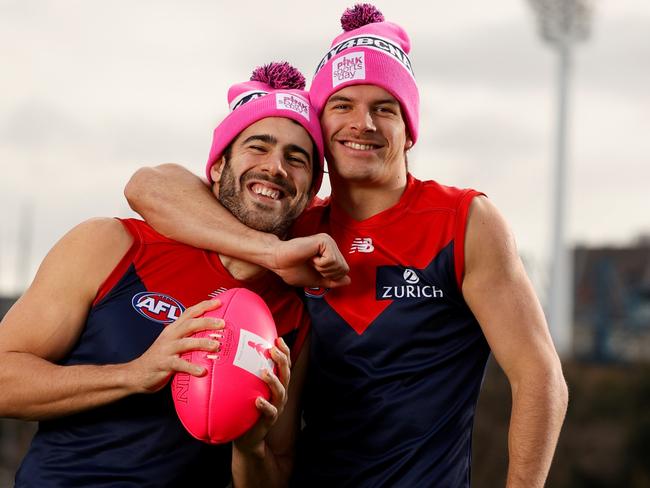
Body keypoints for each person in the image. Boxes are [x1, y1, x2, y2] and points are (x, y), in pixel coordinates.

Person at [125, 5, 569, 488]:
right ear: (321, 124)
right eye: (343, 105)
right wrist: (268, 250)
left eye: (385, 108)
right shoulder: (292, 226)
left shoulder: (464, 221)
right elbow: (149, 185)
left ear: (409, 129)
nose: (364, 124)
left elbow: (540, 377)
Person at [0, 62, 344, 487]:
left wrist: (249, 447)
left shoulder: (291, 316)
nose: (276, 167)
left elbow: (275, 472)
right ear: (217, 168)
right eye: (259, 146)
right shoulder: (112, 245)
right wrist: (134, 374)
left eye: (297, 159)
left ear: (310, 193)